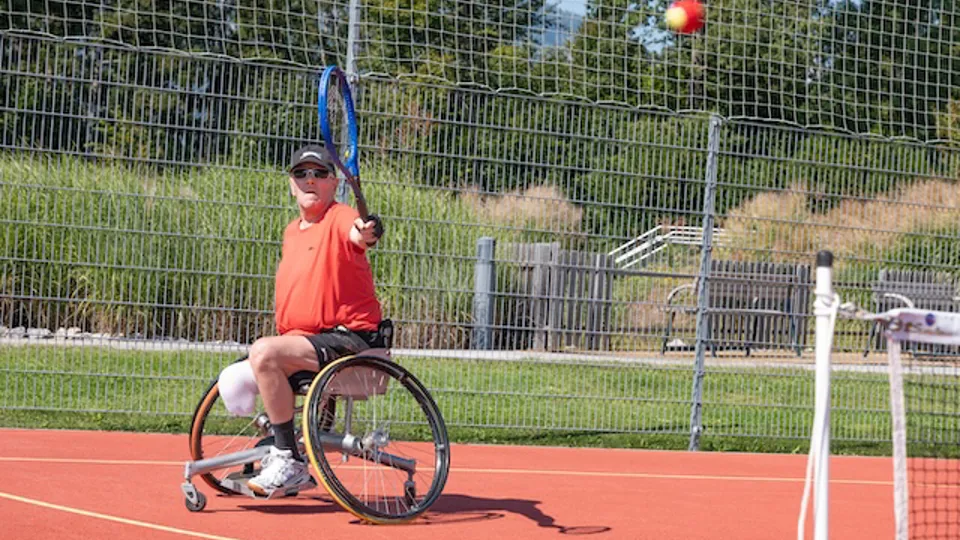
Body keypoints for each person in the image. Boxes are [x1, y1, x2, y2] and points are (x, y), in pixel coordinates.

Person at [217, 144, 384, 496]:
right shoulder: (292, 231)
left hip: (349, 339)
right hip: (308, 340)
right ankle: (282, 444)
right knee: (233, 378)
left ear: (333, 182)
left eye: (319, 174)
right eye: (301, 174)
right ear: (291, 184)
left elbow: (359, 233)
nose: (310, 180)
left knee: (264, 353)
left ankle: (288, 459)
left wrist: (367, 231)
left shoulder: (339, 216)